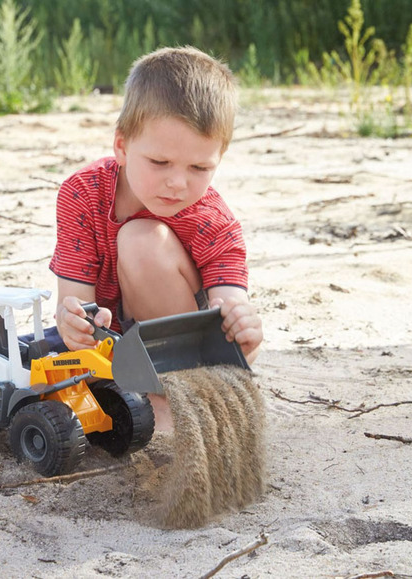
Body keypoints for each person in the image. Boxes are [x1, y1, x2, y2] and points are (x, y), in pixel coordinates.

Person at [48, 46, 263, 428]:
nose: (178, 183)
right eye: (160, 162)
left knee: (141, 241)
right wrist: (73, 322)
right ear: (122, 146)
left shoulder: (212, 218)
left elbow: (228, 309)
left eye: (199, 167)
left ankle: (175, 391)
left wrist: (242, 332)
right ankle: (136, 391)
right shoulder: (82, 194)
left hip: (182, 344)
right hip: (113, 346)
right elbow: (74, 305)